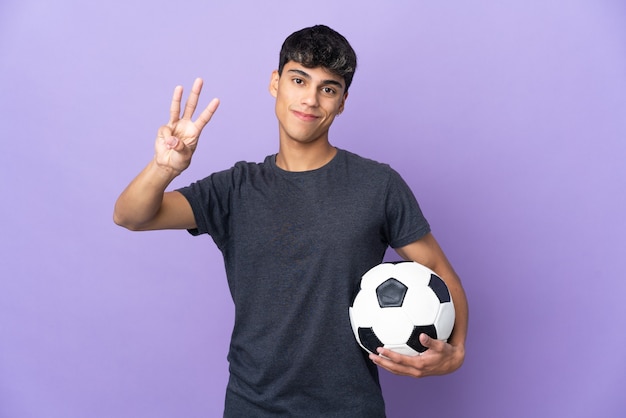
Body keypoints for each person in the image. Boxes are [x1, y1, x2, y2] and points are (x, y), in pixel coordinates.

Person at [114, 24, 468, 417]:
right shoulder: (235, 188)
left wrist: (456, 352)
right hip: (253, 406)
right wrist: (165, 167)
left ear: (342, 102)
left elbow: (437, 270)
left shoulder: (377, 184)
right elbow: (130, 216)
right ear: (275, 83)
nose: (310, 99)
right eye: (299, 80)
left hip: (350, 408)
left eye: (327, 88)